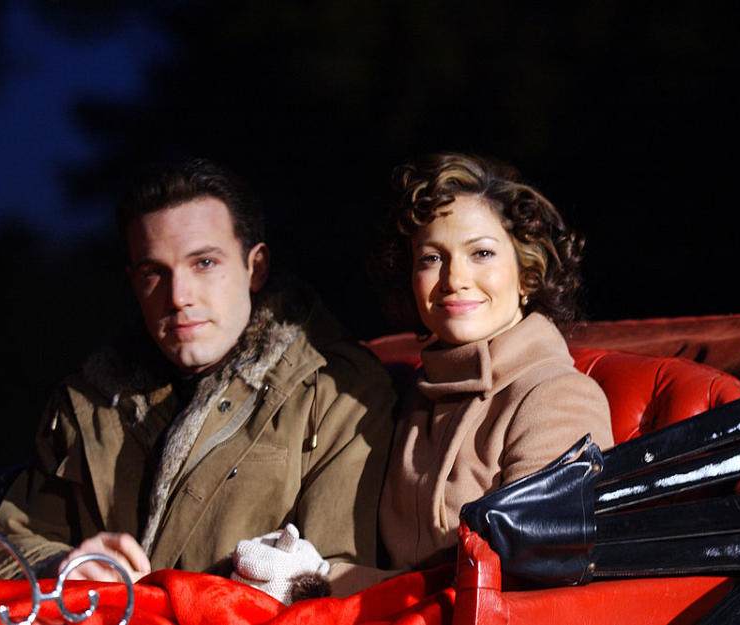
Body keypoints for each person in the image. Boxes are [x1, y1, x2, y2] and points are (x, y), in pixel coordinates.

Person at [0, 158, 396, 583]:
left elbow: (340, 587)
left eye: (204, 263)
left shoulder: (339, 392)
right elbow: (3, 546)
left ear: (257, 267)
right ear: (132, 281)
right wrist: (65, 566)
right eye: (154, 272)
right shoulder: (89, 401)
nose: (178, 296)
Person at [231, 152, 614, 597]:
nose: (454, 278)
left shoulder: (557, 397)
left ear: (528, 274)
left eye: (482, 253)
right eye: (432, 258)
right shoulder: (410, 394)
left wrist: (318, 581)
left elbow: (530, 589)